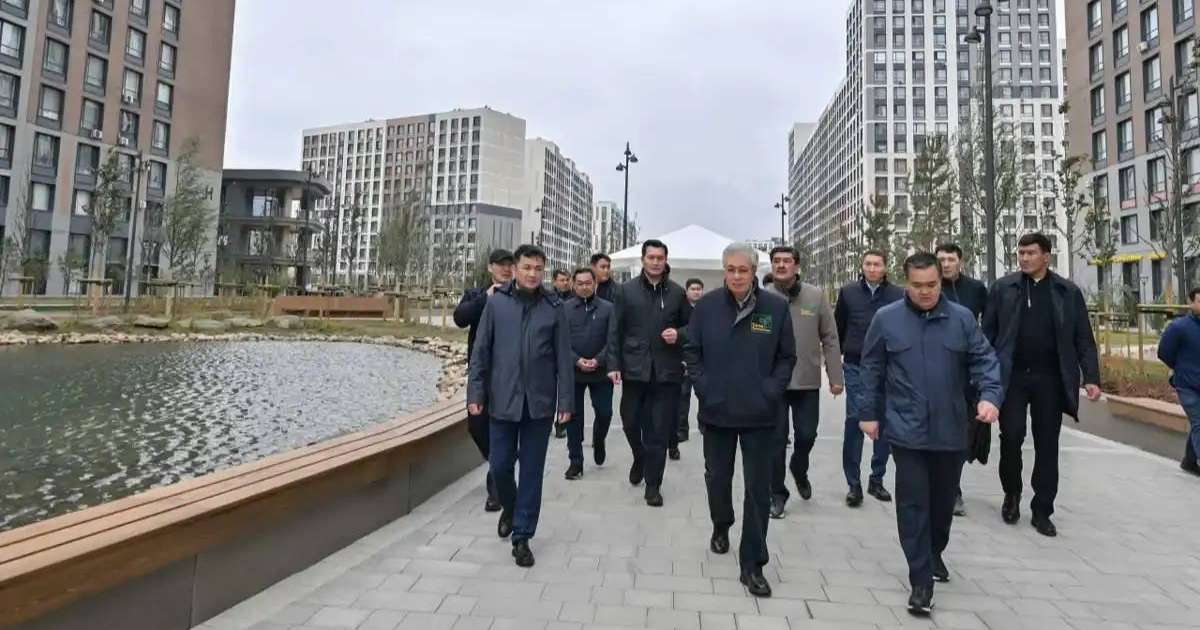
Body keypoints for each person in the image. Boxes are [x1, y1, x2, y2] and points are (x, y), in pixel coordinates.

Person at [858, 252, 1003, 616]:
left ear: (942, 280)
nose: (925, 292)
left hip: (951, 429)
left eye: (932, 285)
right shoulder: (886, 319)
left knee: (941, 506)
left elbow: (985, 360)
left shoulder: (962, 319)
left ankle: (934, 550)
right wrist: (868, 414)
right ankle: (920, 579)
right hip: (905, 430)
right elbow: (871, 368)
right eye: (918, 286)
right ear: (906, 283)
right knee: (912, 504)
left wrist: (989, 397)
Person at [684, 242, 796, 598]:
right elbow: (692, 350)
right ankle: (721, 523)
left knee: (757, 490)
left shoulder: (775, 308)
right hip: (717, 411)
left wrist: (771, 391)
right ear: (724, 271)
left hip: (761, 414)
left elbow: (786, 357)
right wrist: (704, 387)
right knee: (717, 477)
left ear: (753, 271)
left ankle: (753, 564)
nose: (736, 276)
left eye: (742, 270)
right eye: (730, 270)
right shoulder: (706, 307)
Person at [982, 233, 1101, 537]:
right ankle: (1012, 494)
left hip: (1050, 377)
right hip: (1013, 377)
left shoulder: (1067, 292)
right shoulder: (1003, 289)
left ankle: (1042, 509)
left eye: (1030, 253)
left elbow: (1083, 340)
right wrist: (984, 376)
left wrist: (1091, 378)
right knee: (1011, 436)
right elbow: (987, 336)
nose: (1023, 258)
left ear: (1046, 256)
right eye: (1020, 253)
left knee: (1048, 443)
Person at [466, 245, 574, 568]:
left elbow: (563, 359)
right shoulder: (497, 304)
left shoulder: (554, 307)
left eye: (538, 268)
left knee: (531, 473)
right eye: (527, 267)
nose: (532, 273)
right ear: (515, 269)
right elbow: (481, 352)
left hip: (538, 406)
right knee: (499, 466)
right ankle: (510, 508)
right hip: (501, 401)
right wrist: (475, 394)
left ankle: (522, 536)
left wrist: (565, 402)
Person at [607, 239, 691, 507]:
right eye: (651, 257)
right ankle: (639, 456)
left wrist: (678, 334)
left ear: (666, 260)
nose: (656, 262)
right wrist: (613, 364)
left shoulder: (677, 293)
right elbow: (614, 331)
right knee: (630, 421)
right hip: (634, 371)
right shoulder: (625, 291)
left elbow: (693, 328)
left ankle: (653, 485)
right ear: (642, 260)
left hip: (666, 374)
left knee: (658, 430)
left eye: (660, 258)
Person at [766, 246, 843, 519]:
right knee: (774, 442)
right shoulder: (762, 297)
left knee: (807, 436)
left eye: (787, 261)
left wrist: (835, 377)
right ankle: (777, 494)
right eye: (777, 261)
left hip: (807, 380)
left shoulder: (815, 296)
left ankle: (799, 468)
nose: (782, 265)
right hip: (772, 382)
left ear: (797, 266)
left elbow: (830, 338)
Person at [835, 250, 903, 507]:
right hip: (855, 364)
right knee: (855, 419)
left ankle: (877, 478)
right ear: (862, 266)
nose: (872, 268)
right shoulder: (848, 292)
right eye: (868, 264)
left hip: (888, 367)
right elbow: (838, 326)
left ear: (885, 267)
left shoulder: (898, 295)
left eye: (877, 264)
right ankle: (853, 483)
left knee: (883, 422)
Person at [453, 248, 514, 513]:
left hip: (509, 375)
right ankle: (500, 465)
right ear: (490, 268)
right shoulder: (476, 294)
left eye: (509, 265)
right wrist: (486, 299)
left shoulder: (520, 297)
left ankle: (496, 490)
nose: (505, 269)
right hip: (480, 373)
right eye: (500, 265)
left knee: (502, 426)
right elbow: (460, 318)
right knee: (476, 425)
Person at [935, 243, 989, 518]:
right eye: (941, 259)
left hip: (968, 372)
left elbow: (988, 326)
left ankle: (951, 482)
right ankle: (951, 490)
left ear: (961, 261)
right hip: (937, 370)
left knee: (964, 433)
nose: (945, 263)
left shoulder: (976, 289)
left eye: (950, 259)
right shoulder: (931, 289)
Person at [562, 267, 616, 478]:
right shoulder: (564, 309)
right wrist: (577, 360)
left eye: (588, 283)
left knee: (605, 412)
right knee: (573, 417)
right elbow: (561, 341)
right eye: (580, 283)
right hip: (573, 372)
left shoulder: (608, 308)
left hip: (600, 371)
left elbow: (613, 339)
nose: (585, 286)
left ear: (595, 284)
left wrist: (598, 360)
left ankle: (599, 439)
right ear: (574, 285)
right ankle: (576, 461)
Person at [1157, 287, 1200, 476]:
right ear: (1191, 303)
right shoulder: (1179, 327)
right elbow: (1164, 352)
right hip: (1187, 385)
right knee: (1199, 423)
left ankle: (1189, 461)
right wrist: (1181, 369)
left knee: (1198, 423)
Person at [676, 278, 705, 446]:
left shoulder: (707, 309)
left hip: (703, 360)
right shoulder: (680, 309)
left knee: (704, 394)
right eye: (693, 288)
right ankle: (681, 430)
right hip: (683, 358)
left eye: (699, 288)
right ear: (686, 291)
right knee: (683, 396)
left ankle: (704, 425)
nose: (696, 291)